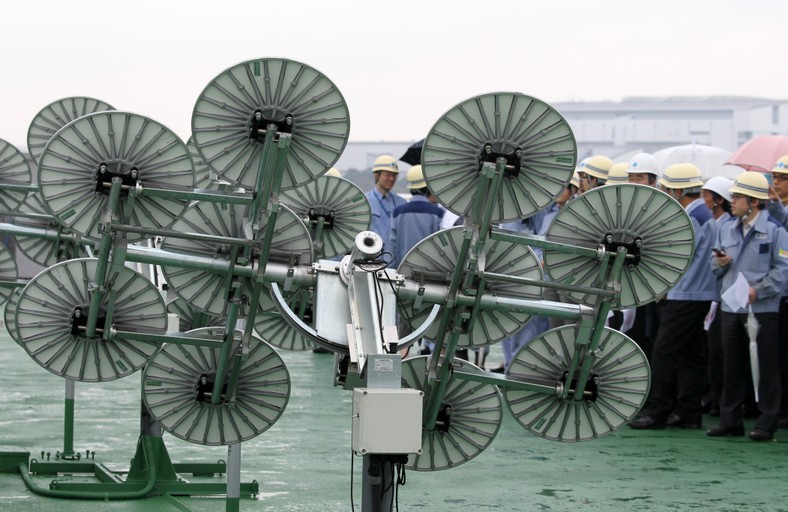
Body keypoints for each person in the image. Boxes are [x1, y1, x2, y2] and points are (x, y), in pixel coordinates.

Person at [629, 163, 718, 430]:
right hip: (697, 293)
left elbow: (677, 258)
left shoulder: (691, 218)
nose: (664, 192)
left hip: (684, 293)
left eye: (667, 189)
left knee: (664, 350)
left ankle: (657, 410)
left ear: (679, 190)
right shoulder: (704, 215)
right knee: (692, 354)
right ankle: (688, 412)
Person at [706, 171, 788, 441]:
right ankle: (731, 421)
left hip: (763, 309)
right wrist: (719, 264)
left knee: (765, 366)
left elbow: (783, 270)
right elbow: (712, 266)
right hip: (732, 308)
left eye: (738, 197)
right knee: (732, 365)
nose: (732, 201)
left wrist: (758, 291)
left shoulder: (775, 230)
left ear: (754, 201)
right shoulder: (726, 228)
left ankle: (766, 423)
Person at [700, 176, 734, 415]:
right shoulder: (713, 223)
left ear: (720, 200)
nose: (703, 200)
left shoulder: (726, 225)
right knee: (712, 351)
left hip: (724, 296)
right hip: (714, 296)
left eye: (707, 195)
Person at [624, 153, 662, 360]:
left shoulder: (662, 209)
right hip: (630, 283)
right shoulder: (624, 207)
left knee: (653, 335)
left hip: (654, 287)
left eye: (639, 178)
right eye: (631, 177)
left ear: (653, 181)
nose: (634, 183)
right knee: (632, 333)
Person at [388, 165, 444, 268]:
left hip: (402, 272)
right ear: (427, 187)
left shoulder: (397, 213)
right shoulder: (438, 213)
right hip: (430, 273)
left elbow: (392, 248)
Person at [365, 155, 406, 246]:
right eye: (387, 175)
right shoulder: (365, 202)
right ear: (376, 175)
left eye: (394, 175)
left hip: (395, 257)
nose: (392, 179)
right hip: (372, 257)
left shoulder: (402, 203)